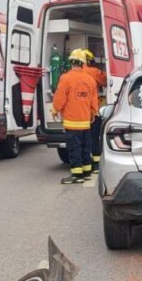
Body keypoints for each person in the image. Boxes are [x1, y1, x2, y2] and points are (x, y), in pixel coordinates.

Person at [52, 49, 99, 184]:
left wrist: (55, 110)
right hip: (85, 122)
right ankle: (87, 172)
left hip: (72, 122)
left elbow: (60, 98)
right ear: (83, 63)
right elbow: (93, 100)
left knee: (74, 148)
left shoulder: (66, 78)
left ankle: (77, 175)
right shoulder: (90, 80)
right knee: (85, 147)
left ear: (71, 62)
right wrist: (93, 113)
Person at [82, 49, 107, 173]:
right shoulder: (93, 72)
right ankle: (96, 164)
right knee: (94, 137)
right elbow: (107, 80)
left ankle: (84, 164)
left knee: (81, 139)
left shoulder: (70, 74)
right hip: (92, 111)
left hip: (78, 113)